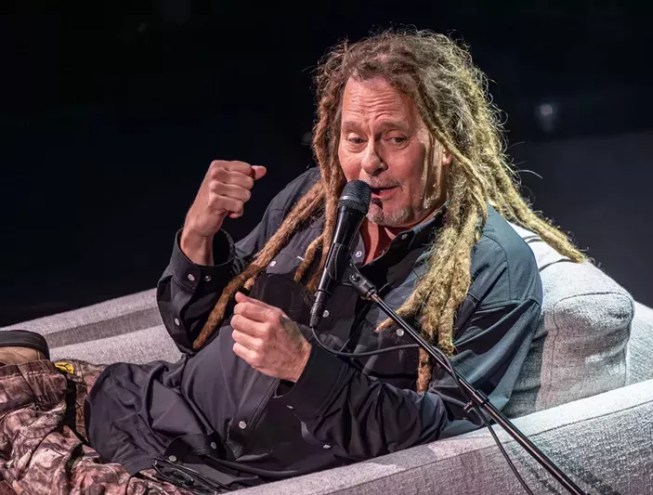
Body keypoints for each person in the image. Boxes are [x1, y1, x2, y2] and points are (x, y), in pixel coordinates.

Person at [0, 28, 585, 493]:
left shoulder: (491, 270)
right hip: (136, 407)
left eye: (395, 138)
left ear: (447, 144)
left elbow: (454, 435)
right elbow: (196, 334)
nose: (369, 163)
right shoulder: (313, 200)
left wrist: (308, 369)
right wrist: (199, 239)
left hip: (189, 477)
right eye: (354, 138)